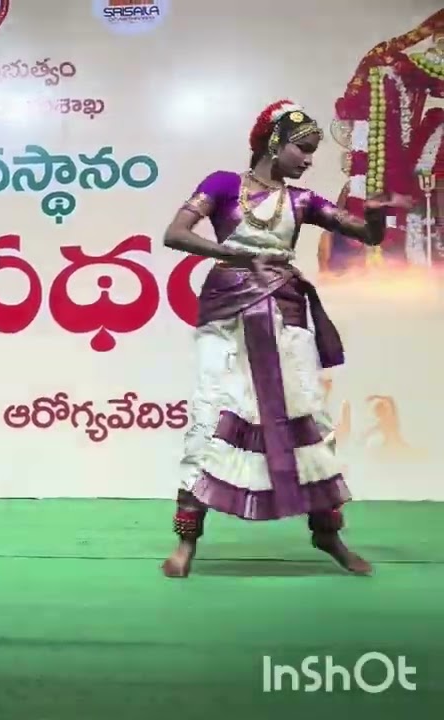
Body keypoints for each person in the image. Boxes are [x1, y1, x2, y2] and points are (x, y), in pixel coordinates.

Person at [160, 100, 412, 578]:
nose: (308, 159)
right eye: (303, 148)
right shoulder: (221, 185)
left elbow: (366, 234)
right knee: (210, 415)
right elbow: (175, 233)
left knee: (306, 418)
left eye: (313, 151)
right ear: (275, 142)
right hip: (227, 313)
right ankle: (186, 541)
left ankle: (328, 535)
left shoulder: (304, 201)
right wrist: (232, 253)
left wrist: (376, 215)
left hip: (284, 312)